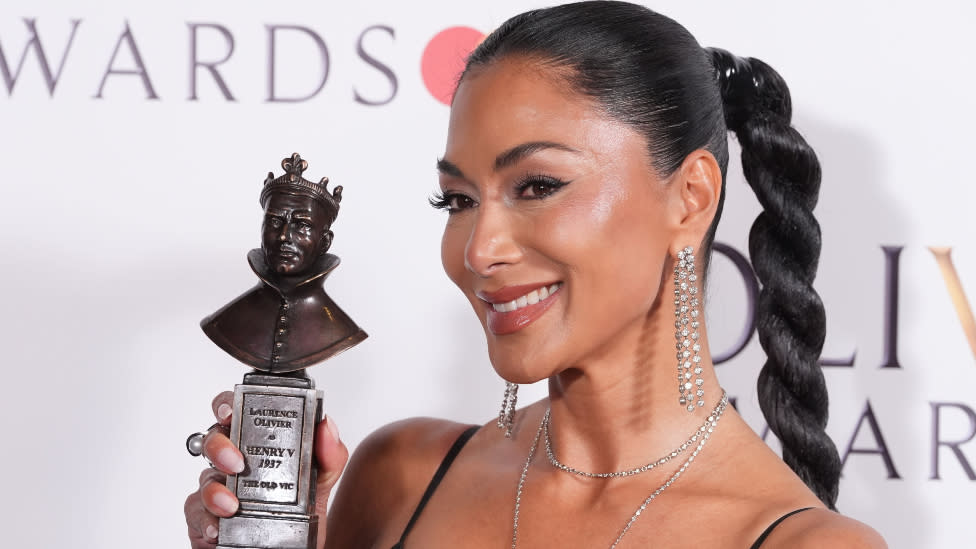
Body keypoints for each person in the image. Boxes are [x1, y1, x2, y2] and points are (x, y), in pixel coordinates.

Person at [185, 2, 887, 547]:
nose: (479, 248)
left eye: (538, 185)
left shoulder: (799, 540)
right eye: (458, 200)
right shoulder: (399, 476)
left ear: (691, 197)